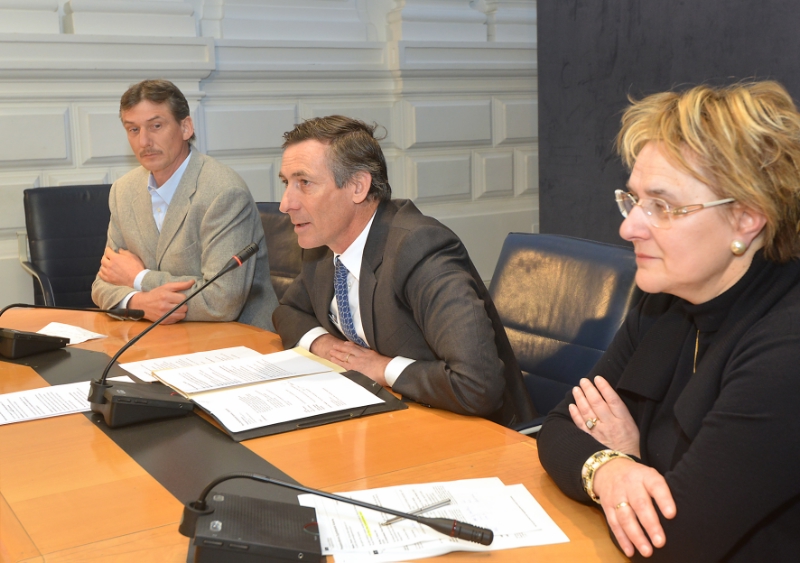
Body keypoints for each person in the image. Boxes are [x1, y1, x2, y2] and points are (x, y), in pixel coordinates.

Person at [537, 81, 800, 561]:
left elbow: (670, 542)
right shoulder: (665, 299)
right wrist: (610, 468)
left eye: (661, 206)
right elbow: (558, 427)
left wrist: (632, 459)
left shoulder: (786, 351)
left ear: (746, 219)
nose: (628, 227)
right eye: (634, 200)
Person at [272, 115, 536, 427]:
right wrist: (326, 345)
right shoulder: (325, 243)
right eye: (286, 183)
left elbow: (477, 385)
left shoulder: (420, 248)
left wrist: (382, 368)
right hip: (387, 417)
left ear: (357, 186)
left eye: (304, 183)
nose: (285, 204)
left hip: (471, 433)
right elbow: (288, 311)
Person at [91, 79, 278, 329]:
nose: (144, 141)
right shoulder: (123, 191)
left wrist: (139, 279)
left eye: (156, 126)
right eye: (133, 129)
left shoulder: (224, 192)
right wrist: (140, 303)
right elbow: (103, 283)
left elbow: (222, 299)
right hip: (159, 337)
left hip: (236, 338)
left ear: (186, 127)